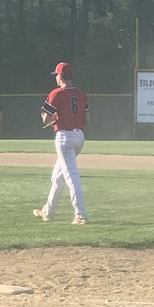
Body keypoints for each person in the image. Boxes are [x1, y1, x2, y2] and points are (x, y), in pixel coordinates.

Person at [33, 61, 90, 224]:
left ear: (60, 76)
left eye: (56, 75)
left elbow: (46, 118)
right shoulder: (81, 94)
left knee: (71, 176)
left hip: (64, 137)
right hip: (79, 137)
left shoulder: (56, 93)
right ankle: (48, 211)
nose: (56, 78)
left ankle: (80, 215)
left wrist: (51, 118)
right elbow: (87, 119)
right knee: (58, 177)